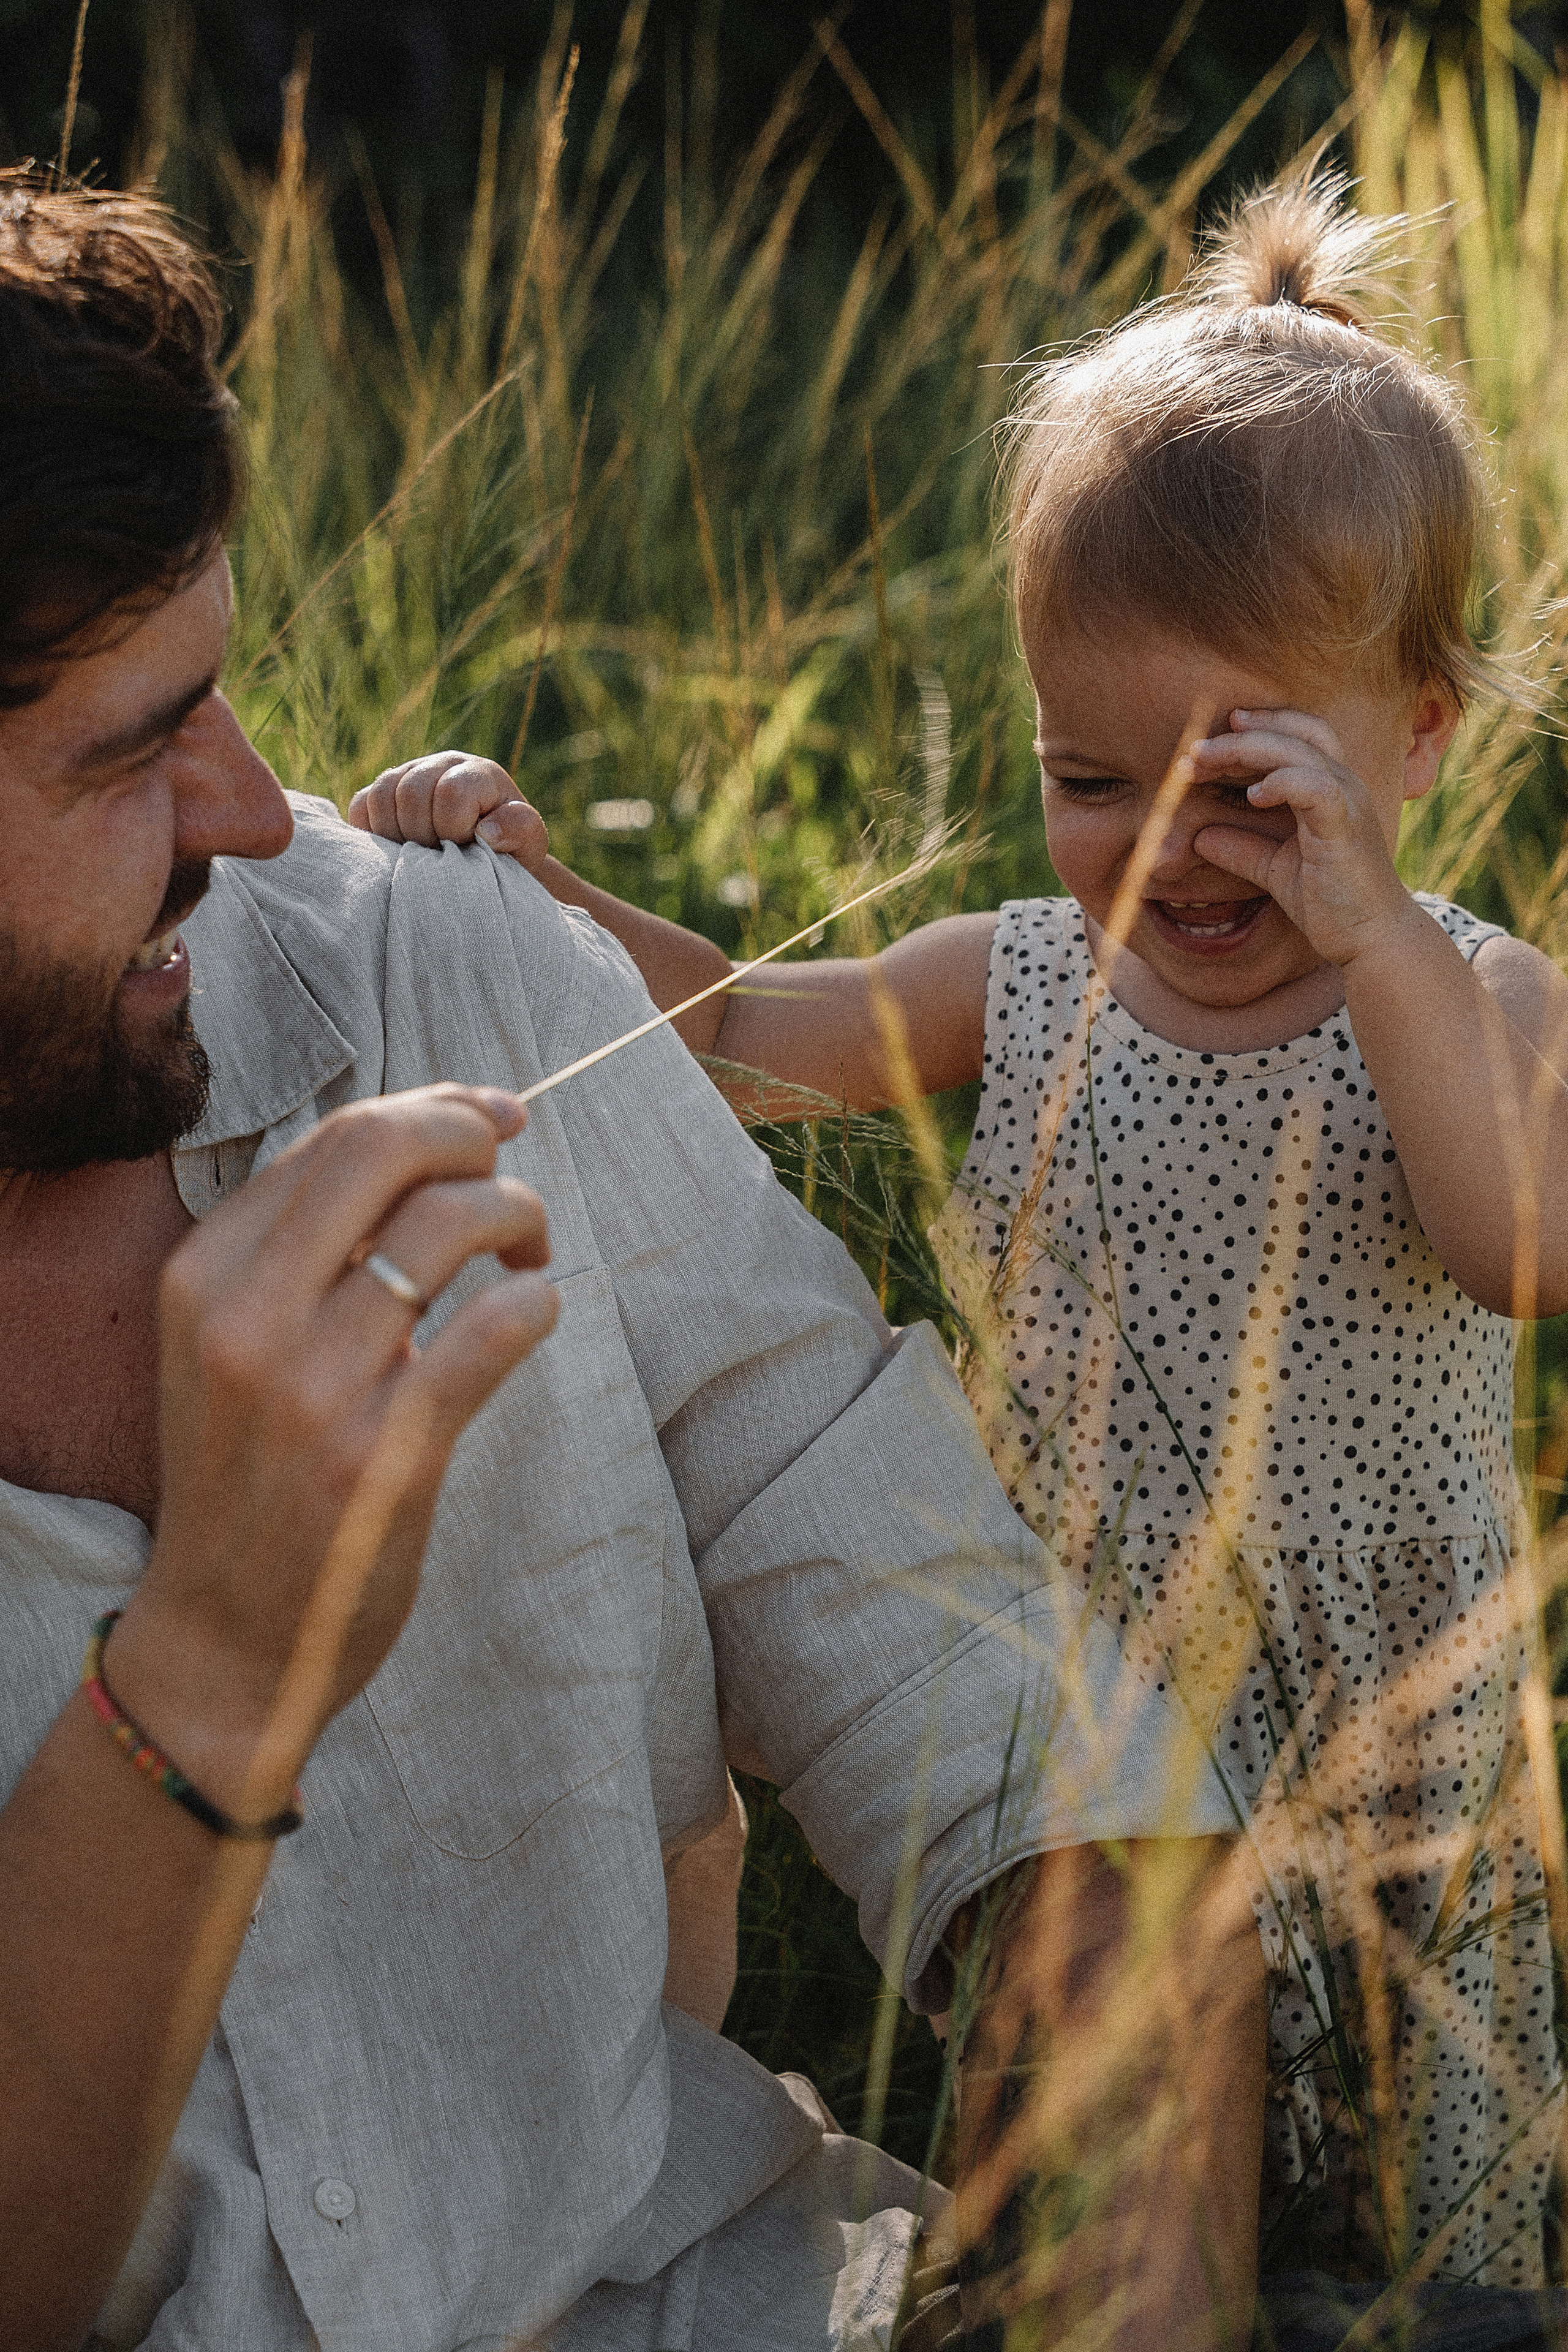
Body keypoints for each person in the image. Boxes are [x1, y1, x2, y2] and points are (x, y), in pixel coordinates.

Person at [0, 172, 1267, 2352]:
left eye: (214, 690)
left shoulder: (447, 977)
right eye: (127, 751)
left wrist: (1120, 2271)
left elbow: (1001, 1730)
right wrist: (208, 1668)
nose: (244, 808)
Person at [371, 173, 1568, 2341]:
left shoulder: (1478, 995)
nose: (1170, 851)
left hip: (1383, 1764)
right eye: (1087, 780)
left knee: (1408, 2216)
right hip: (1092, 1739)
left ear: (1411, 743)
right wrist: (530, 890)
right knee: (1112, 2150)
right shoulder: (1013, 985)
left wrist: (1374, 929)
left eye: (1252, 789)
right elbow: (719, 1042)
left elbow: (1518, 1248)